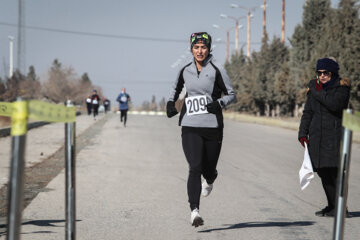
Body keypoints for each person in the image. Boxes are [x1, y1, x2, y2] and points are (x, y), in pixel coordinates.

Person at [167, 32, 236, 227]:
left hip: (212, 126)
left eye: (203, 47)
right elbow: (175, 88)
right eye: (196, 47)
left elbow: (232, 94)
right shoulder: (185, 70)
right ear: (191, 49)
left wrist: (219, 103)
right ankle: (194, 211)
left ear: (208, 49)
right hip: (190, 125)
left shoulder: (217, 69)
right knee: (194, 167)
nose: (200, 51)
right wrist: (171, 104)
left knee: (208, 169)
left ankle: (211, 177)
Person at [298, 57, 350, 217]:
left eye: (325, 73)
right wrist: (302, 133)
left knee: (333, 172)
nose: (322, 76)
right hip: (316, 136)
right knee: (321, 171)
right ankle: (332, 205)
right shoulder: (314, 89)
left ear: (333, 73)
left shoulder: (342, 88)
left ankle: (341, 208)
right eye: (319, 73)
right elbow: (307, 113)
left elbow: (334, 105)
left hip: (333, 136)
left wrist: (317, 91)